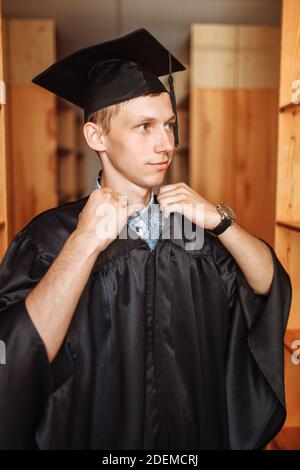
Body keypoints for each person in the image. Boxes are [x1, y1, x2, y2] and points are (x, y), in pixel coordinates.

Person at [0, 28, 292, 450]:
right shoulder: (49, 238)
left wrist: (220, 222)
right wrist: (84, 243)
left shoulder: (192, 230)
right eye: (144, 126)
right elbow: (16, 355)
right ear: (96, 137)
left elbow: (268, 287)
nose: (167, 144)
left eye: (170, 125)